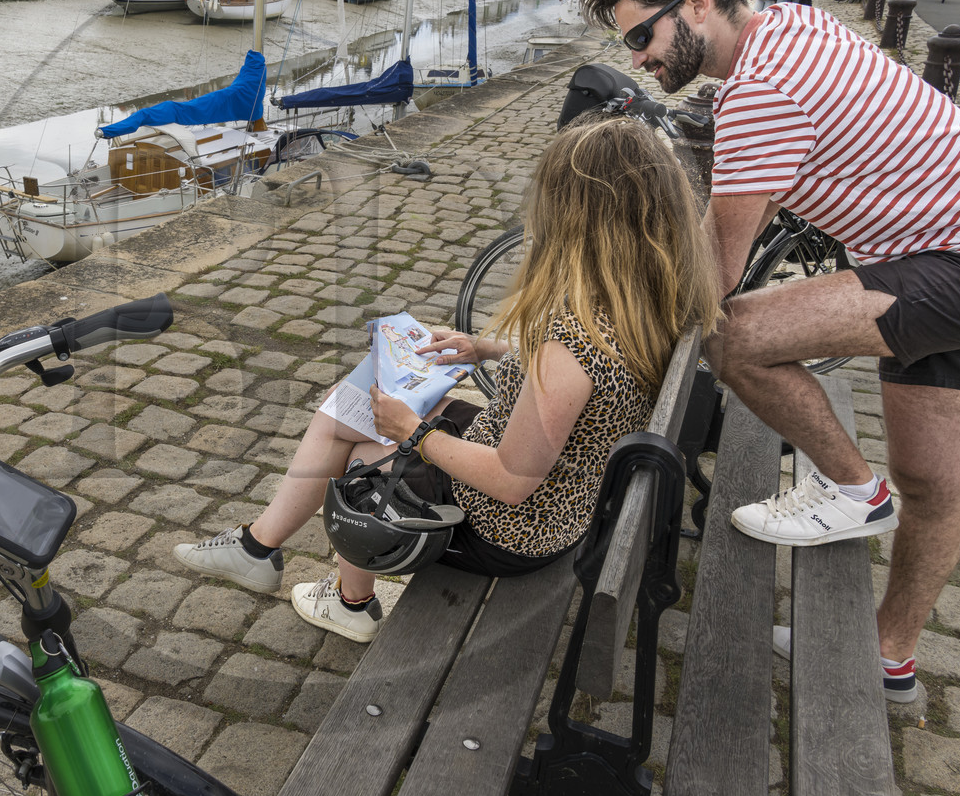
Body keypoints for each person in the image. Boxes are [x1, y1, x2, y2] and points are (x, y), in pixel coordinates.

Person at [577, 0, 960, 704]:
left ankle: (850, 490)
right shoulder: (787, 24)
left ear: (697, 5)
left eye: (642, 36)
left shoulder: (759, 91)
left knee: (736, 338)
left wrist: (615, 314)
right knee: (931, 476)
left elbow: (716, 277)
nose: (637, 59)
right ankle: (890, 655)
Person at [174, 117, 721, 642]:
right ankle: (257, 547)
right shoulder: (651, 296)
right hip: (562, 491)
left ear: (579, 220)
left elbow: (511, 479)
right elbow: (586, 382)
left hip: (510, 529)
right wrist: (486, 348)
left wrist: (413, 433)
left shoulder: (569, 344)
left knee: (364, 450)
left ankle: (346, 601)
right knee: (350, 403)